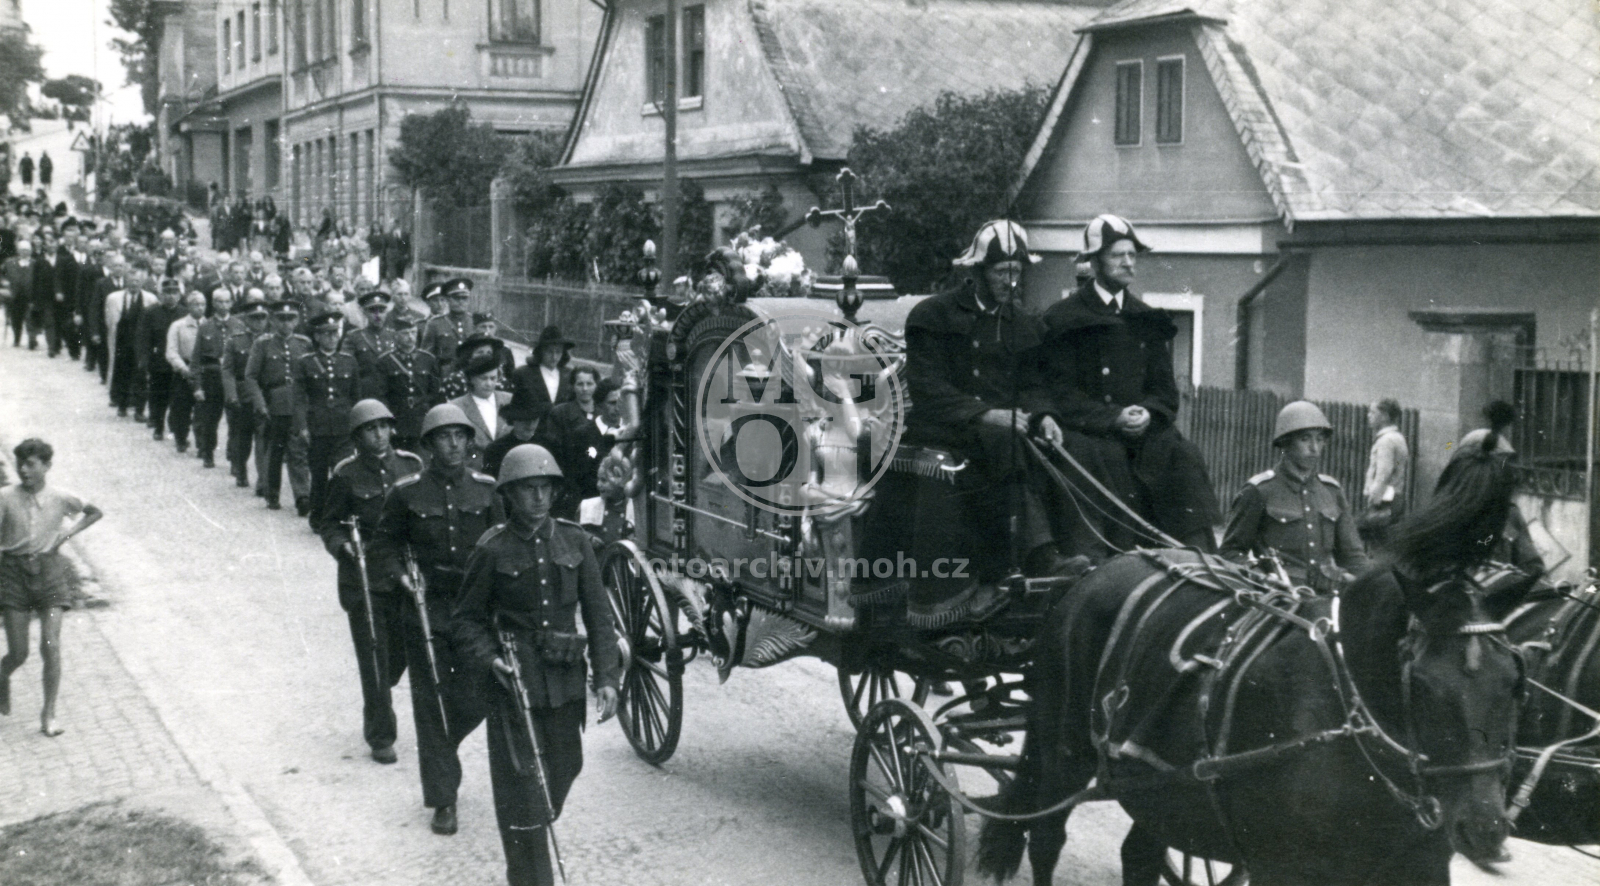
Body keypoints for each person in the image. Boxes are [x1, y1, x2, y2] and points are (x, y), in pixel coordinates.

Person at [892, 219, 1082, 626]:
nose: (1010, 282)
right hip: (945, 426)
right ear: (977, 271)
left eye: (1016, 273)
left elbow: (1033, 384)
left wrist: (1045, 415)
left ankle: (1073, 560)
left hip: (1003, 430)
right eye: (1001, 272)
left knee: (1062, 447)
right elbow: (928, 388)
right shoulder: (933, 315)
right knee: (1003, 444)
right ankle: (1031, 559)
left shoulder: (1023, 323)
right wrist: (987, 413)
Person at [448, 444, 619, 886]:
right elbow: (465, 620)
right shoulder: (492, 549)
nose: (539, 498)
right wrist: (489, 661)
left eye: (545, 488)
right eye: (528, 490)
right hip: (514, 685)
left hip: (563, 682)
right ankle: (529, 877)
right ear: (509, 494)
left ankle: (526, 853)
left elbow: (598, 614)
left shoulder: (575, 540)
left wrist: (607, 678)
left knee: (564, 768)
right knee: (523, 789)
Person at [1040, 214, 1220, 554]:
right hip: (1090, 430)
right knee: (1101, 457)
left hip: (1142, 432)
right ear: (1094, 262)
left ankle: (1199, 557)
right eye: (1117, 255)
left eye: (1132, 255)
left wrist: (1148, 414)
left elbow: (1165, 392)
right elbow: (1060, 392)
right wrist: (1113, 418)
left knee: (1181, 453)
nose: (1127, 262)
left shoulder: (1145, 317)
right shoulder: (1063, 318)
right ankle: (1100, 560)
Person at [374, 404, 497, 837]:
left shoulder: (487, 490)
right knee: (429, 705)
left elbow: (502, 550)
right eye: (444, 437)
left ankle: (445, 749)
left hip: (475, 612)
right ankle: (443, 799)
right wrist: (403, 577)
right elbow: (383, 548)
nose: (454, 444)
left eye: (461, 436)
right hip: (426, 610)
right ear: (428, 445)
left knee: (480, 692)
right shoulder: (405, 493)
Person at [317, 400, 424, 765]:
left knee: (402, 652)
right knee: (374, 653)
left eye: (383, 427)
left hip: (403, 578)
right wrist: (342, 546)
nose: (378, 435)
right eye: (369, 429)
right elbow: (327, 522)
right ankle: (381, 734)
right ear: (357, 436)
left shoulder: (411, 467)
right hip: (363, 579)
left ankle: (380, 690)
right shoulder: (345, 474)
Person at [0, 438, 104, 736]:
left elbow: (94, 511)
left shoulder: (60, 497)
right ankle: (2, 676)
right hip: (13, 574)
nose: (23, 469)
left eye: (31, 464)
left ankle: (49, 714)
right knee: (18, 653)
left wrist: (68, 534)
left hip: (49, 574)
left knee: (51, 645)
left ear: (47, 466)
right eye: (20, 463)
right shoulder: (5, 497)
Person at [1221, 401, 1369, 590]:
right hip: (1280, 596)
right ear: (1286, 442)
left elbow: (1353, 557)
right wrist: (1261, 577)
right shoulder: (1259, 491)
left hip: (1328, 592)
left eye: (1320, 439)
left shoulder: (1332, 491)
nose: (1315, 448)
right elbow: (1229, 552)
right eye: (1305, 439)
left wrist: (1373, 585)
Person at [244, 300, 314, 513]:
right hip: (274, 403)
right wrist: (260, 403)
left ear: (297, 320)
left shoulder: (304, 344)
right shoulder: (263, 344)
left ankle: (302, 496)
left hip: (298, 403)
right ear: (273, 321)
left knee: (299, 451)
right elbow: (251, 376)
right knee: (275, 450)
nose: (286, 324)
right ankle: (272, 492)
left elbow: (311, 376)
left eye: (291, 318)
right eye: (281, 319)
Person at [297, 311, 362, 529]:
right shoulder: (306, 362)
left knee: (342, 473)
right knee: (318, 475)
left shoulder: (349, 361)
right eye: (326, 334)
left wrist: (358, 426)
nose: (332, 338)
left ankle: (338, 516)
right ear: (317, 337)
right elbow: (299, 398)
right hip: (318, 427)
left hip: (344, 427)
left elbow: (356, 397)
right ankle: (317, 517)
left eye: (335, 333)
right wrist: (302, 426)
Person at [536, 367, 612, 521]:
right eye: (580, 384)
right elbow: (556, 451)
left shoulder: (604, 412)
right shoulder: (560, 413)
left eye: (590, 384)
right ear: (572, 386)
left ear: (596, 386)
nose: (585, 389)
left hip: (602, 482)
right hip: (573, 482)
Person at [221, 295, 270, 488]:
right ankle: (241, 469)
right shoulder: (235, 341)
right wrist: (231, 394)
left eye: (262, 318)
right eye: (254, 318)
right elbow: (228, 371)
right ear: (246, 320)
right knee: (242, 438)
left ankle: (263, 480)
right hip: (242, 397)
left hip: (264, 396)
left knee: (263, 440)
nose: (259, 322)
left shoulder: (271, 341)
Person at [377, 312, 442, 455]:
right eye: (405, 333)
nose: (410, 337)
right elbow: (381, 396)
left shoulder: (428, 359)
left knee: (422, 462)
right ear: (396, 336)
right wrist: (387, 423)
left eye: (413, 332)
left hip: (422, 420)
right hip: (397, 420)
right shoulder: (386, 361)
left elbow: (436, 394)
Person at [138, 278, 187, 443]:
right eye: (167, 293)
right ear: (160, 295)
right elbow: (143, 339)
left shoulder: (184, 313)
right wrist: (144, 360)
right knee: (158, 397)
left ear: (180, 295)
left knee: (178, 398)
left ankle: (176, 428)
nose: (171, 296)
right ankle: (158, 426)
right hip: (159, 362)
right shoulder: (151, 312)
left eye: (174, 293)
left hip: (180, 363)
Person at [106, 264, 157, 419]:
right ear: (126, 282)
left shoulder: (150, 299)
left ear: (141, 282)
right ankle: (122, 405)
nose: (134, 284)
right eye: (131, 280)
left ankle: (139, 410)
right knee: (122, 374)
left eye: (137, 281)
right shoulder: (114, 298)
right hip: (123, 342)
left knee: (141, 376)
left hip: (142, 343)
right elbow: (109, 321)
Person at [191, 289, 233, 468]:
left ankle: (235, 459)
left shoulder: (238, 325)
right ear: (214, 304)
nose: (223, 306)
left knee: (236, 422)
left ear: (231, 303)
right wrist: (197, 386)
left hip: (232, 380)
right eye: (219, 302)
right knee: (210, 420)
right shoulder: (205, 326)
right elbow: (196, 360)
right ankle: (208, 452)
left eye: (227, 302)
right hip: (212, 378)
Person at [1360, 397, 1410, 548]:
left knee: (1377, 544)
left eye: (1373, 412)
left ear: (1385, 416)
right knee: (1386, 544)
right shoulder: (1397, 437)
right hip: (1394, 497)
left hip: (1384, 500)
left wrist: (1373, 499)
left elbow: (1383, 473)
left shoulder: (1386, 441)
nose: (1368, 415)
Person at [448, 353, 511, 471]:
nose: (489, 383)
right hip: (474, 470)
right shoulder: (456, 407)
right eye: (483, 378)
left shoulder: (509, 400)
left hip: (508, 469)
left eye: (493, 378)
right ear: (471, 379)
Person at [165, 291, 209, 455]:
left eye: (203, 304)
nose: (200, 308)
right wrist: (183, 368)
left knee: (203, 410)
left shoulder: (209, 325)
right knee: (181, 408)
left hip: (204, 372)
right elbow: (171, 351)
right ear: (189, 306)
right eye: (196, 304)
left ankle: (202, 444)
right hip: (184, 369)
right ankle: (181, 438)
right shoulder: (178, 326)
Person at [483, 385, 549, 479]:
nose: (530, 425)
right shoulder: (496, 450)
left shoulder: (548, 445)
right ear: (513, 419)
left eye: (534, 419)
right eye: (524, 420)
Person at [509, 325, 575, 416]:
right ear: (541, 351)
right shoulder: (523, 374)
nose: (554, 357)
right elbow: (516, 407)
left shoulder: (569, 375)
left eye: (558, 352)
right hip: (533, 428)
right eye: (550, 351)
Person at [420, 278, 475, 375]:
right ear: (448, 300)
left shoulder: (474, 322)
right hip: (443, 376)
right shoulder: (434, 324)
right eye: (456, 298)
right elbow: (426, 357)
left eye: (464, 298)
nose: (461, 302)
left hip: (471, 373)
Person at [2, 238, 34, 348]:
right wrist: (4, 282)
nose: (24, 252)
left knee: (30, 317)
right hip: (14, 295)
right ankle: (17, 338)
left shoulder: (35, 263)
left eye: (26, 250)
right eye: (22, 250)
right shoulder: (9, 262)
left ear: (30, 251)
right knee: (16, 318)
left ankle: (31, 339)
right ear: (18, 251)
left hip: (30, 295)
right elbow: (1, 274)